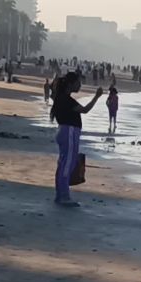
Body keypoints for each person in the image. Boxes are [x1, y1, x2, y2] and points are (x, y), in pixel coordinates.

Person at [49, 72, 103, 207]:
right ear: (71, 84)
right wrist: (96, 97)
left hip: (65, 131)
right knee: (68, 164)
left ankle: (60, 194)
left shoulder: (61, 97)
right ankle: (63, 196)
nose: (80, 85)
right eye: (78, 82)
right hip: (69, 131)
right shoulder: (66, 99)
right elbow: (85, 110)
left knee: (64, 163)